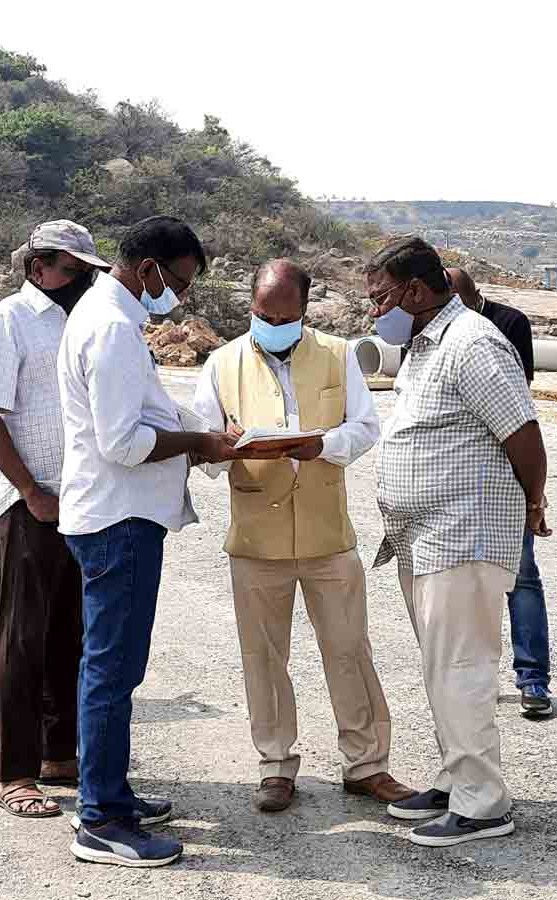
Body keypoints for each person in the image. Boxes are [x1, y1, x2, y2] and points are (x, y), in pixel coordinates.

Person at [57, 215, 247, 867]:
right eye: (180, 282)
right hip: (118, 518)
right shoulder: (110, 326)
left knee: (112, 665)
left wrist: (198, 432)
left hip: (116, 514)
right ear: (148, 270)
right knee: (112, 668)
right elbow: (123, 442)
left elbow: (140, 419)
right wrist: (199, 442)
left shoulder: (106, 315)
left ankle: (108, 792)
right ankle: (101, 819)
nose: (182, 298)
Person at [192, 259, 414, 813]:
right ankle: (275, 766)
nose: (273, 324)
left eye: (284, 317)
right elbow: (202, 449)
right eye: (264, 315)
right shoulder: (221, 364)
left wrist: (323, 445)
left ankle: (366, 765)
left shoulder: (340, 354)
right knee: (262, 657)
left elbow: (365, 428)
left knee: (349, 650)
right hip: (256, 539)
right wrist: (228, 444)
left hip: (327, 535)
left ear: (303, 311)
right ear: (252, 307)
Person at [366, 237, 550, 847]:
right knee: (440, 667)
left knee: (463, 668)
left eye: (381, 298)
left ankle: (483, 804)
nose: (374, 312)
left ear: (417, 291)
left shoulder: (472, 343)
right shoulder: (426, 344)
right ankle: (455, 778)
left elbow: (523, 431)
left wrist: (533, 501)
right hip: (425, 537)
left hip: (464, 534)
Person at [0, 220, 109, 819]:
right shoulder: (8, 320)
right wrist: (28, 489)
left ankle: (58, 752)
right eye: (70, 270)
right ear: (37, 267)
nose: (78, 282)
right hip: (31, 503)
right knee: (22, 638)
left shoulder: (86, 319)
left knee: (68, 633)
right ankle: (13, 771)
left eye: (84, 272)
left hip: (83, 500)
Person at [448, 268, 553, 717]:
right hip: (454, 481)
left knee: (520, 576)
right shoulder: (429, 331)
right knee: (466, 583)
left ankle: (533, 680)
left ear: (473, 298)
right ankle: (476, 681)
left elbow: (517, 407)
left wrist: (534, 494)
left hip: (503, 472)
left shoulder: (506, 324)